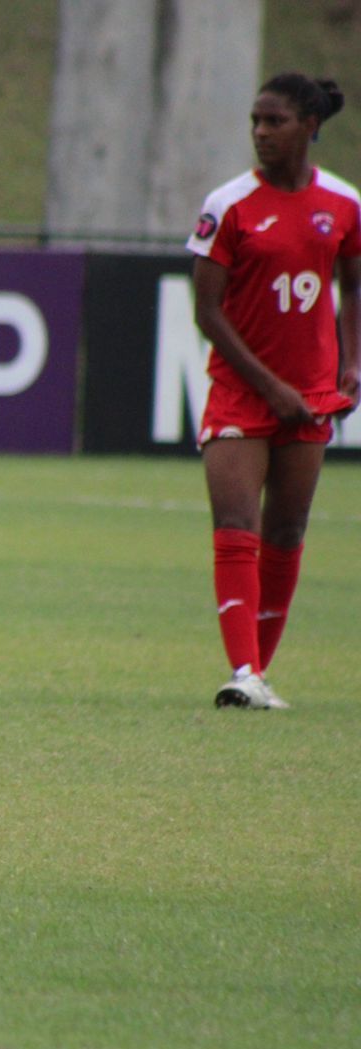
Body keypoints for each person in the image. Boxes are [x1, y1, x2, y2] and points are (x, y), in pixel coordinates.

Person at [188, 72, 360, 710]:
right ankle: (243, 671)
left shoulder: (344, 204)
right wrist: (269, 385)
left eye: (275, 122)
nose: (261, 133)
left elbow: (354, 286)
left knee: (287, 530)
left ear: (310, 126)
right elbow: (208, 312)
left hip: (311, 393)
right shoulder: (228, 204)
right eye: (256, 122)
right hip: (240, 392)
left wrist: (351, 363)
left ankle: (257, 674)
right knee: (237, 523)